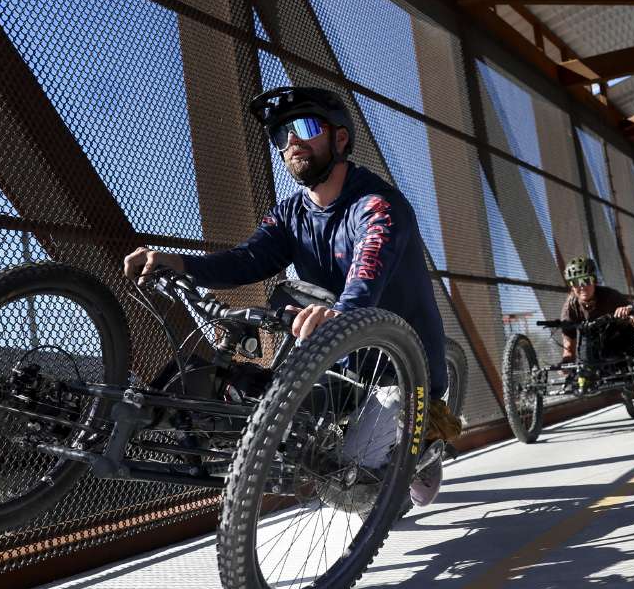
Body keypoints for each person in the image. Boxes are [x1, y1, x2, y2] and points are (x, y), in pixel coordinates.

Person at [123, 86, 460, 506]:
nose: (292, 141)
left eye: (305, 126)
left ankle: (420, 446)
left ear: (340, 139)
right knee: (235, 395)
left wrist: (344, 312)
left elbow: (368, 266)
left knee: (350, 491)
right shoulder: (289, 214)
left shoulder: (377, 205)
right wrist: (181, 264)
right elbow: (247, 259)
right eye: (281, 135)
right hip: (337, 364)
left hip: (401, 367)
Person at [558, 257, 634, 378]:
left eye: (586, 280)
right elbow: (569, 349)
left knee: (630, 337)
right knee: (585, 363)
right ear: (571, 286)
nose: (582, 286)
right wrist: (566, 363)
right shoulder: (570, 308)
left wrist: (630, 313)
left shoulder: (610, 296)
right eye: (575, 282)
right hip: (597, 345)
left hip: (622, 338)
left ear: (594, 280)